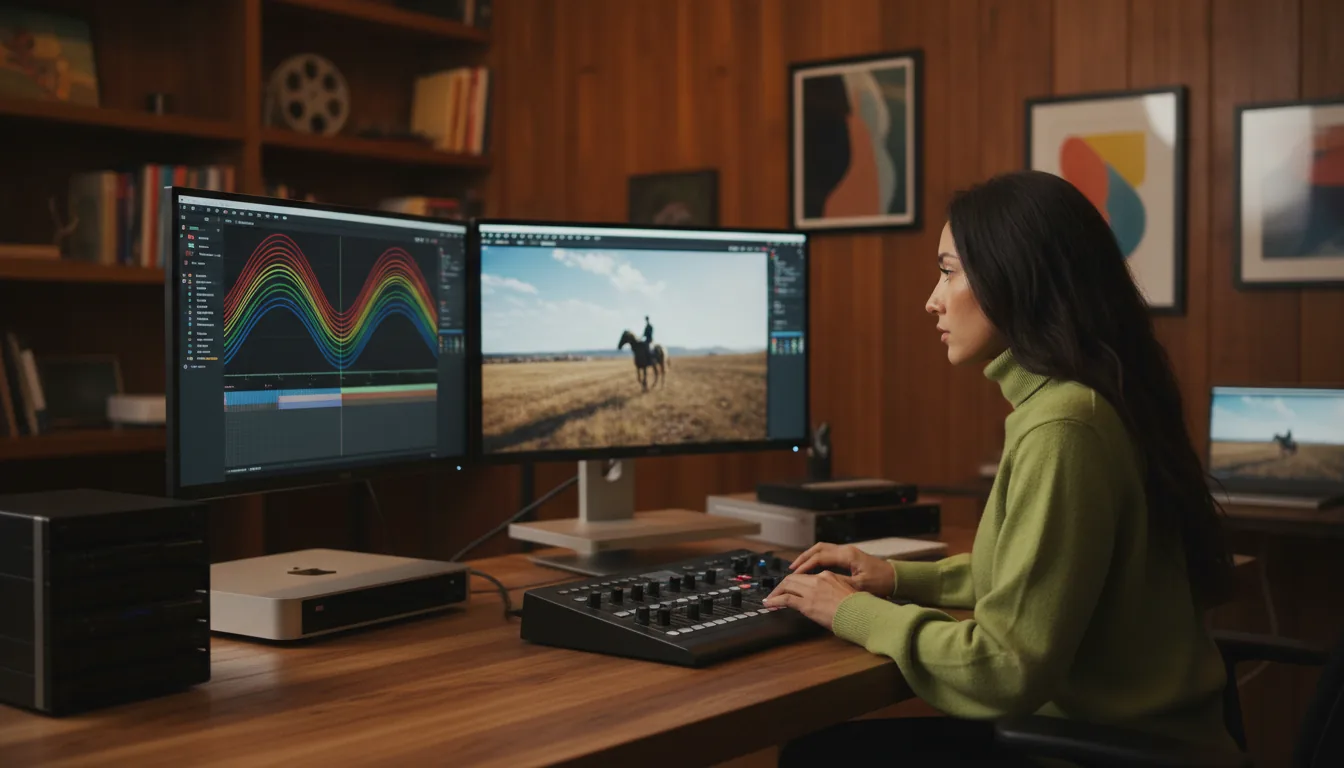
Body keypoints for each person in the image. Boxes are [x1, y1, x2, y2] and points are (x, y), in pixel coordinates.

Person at [766, 170, 1239, 766]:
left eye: (948, 270)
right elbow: (1037, 578)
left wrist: (850, 611)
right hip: (1134, 741)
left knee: (817, 757)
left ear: (1018, 277)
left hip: (1109, 753)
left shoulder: (1063, 427)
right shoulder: (1086, 398)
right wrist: (895, 577)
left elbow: (1004, 668)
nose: (932, 299)